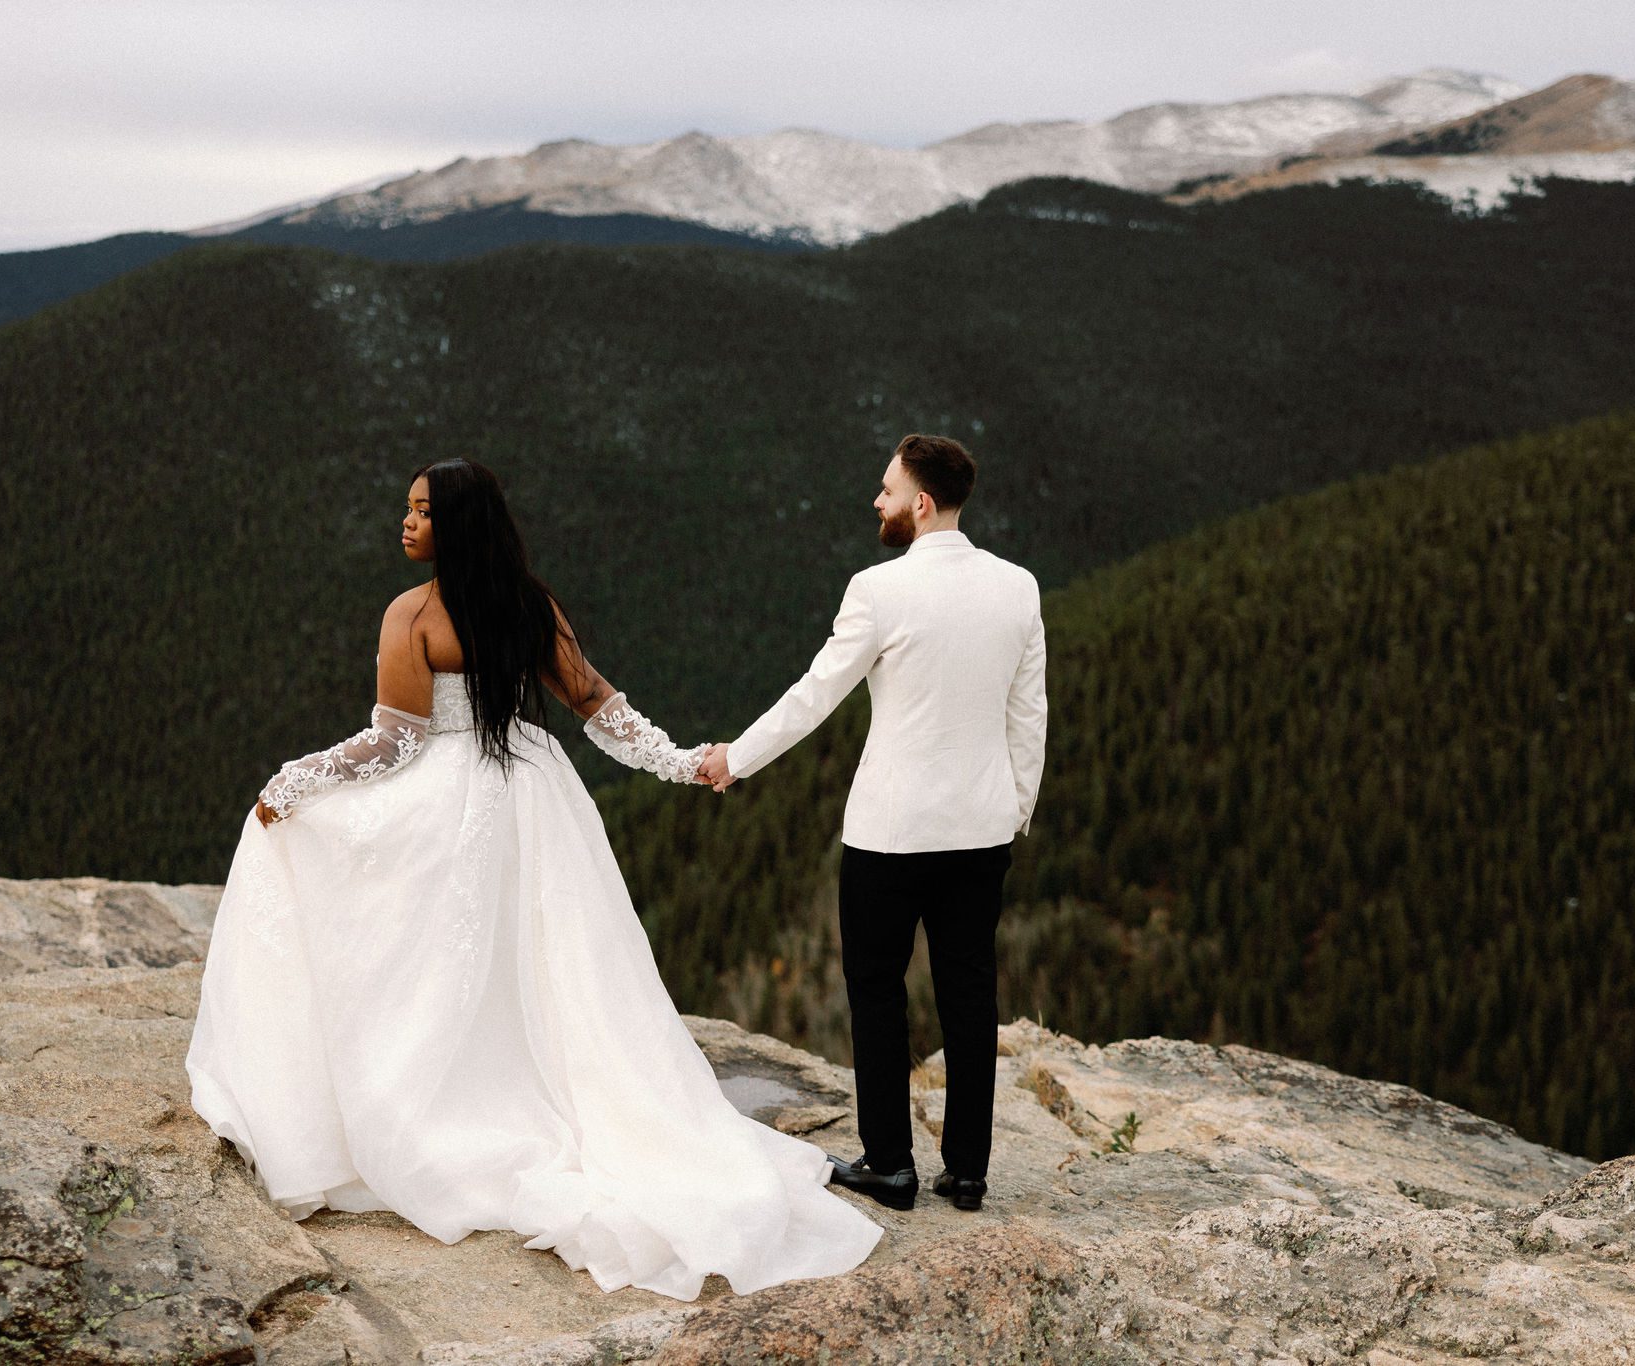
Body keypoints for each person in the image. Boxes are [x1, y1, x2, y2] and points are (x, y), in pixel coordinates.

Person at [184, 458, 881, 1302]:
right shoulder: (531, 606)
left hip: (446, 802)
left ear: (454, 525)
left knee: (425, 955)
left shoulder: (413, 613)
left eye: (419, 513)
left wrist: (295, 780)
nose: (404, 524)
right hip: (531, 794)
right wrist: (688, 762)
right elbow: (600, 710)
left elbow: (396, 742)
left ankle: (412, 1102)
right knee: (548, 962)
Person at [698, 433, 1048, 1214]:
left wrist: (737, 758)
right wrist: (1013, 809)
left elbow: (813, 695)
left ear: (921, 504)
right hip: (981, 833)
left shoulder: (877, 590)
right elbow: (1030, 717)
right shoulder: (1018, 587)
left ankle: (890, 1165)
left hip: (890, 836)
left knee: (878, 993)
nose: (877, 501)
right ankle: (967, 1174)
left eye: (886, 490)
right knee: (969, 996)